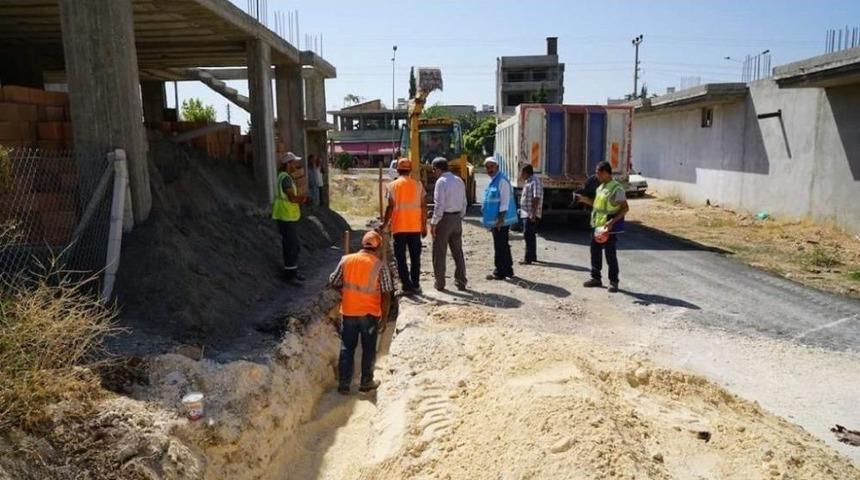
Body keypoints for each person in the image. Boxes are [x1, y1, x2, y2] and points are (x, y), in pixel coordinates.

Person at [329, 231, 395, 395]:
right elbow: (386, 294)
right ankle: (366, 382)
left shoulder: (346, 260)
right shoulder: (379, 265)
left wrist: (345, 292)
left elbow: (333, 281)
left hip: (349, 312)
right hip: (370, 314)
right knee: (368, 348)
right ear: (378, 247)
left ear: (363, 245)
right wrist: (384, 318)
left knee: (347, 348)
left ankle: (344, 384)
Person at [574, 161, 629, 293]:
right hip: (597, 226)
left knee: (610, 254)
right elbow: (596, 204)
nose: (596, 176)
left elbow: (625, 208)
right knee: (595, 252)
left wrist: (612, 223)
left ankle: (613, 281)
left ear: (605, 173)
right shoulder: (600, 187)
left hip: (608, 227)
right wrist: (583, 200)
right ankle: (596, 278)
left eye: (598, 173)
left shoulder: (617, 188)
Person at [382, 158, 427, 295]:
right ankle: (415, 284)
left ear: (397, 170)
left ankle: (407, 286)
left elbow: (390, 207)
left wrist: (384, 224)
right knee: (415, 257)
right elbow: (423, 206)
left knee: (400, 258)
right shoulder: (418, 185)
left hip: (399, 227)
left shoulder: (392, 186)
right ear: (410, 170)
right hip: (414, 227)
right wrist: (424, 226)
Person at [429, 157, 468, 291]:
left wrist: (434, 223)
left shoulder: (441, 182)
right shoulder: (459, 180)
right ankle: (461, 281)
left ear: (438, 169)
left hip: (444, 220)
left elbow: (439, 205)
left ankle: (440, 283)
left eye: (433, 170)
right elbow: (464, 202)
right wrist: (460, 216)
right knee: (458, 252)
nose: (433, 173)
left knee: (439, 252)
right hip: (457, 218)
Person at [272, 152, 306, 285]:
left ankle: (293, 271)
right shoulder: (285, 178)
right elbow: (291, 197)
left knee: (294, 246)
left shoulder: (286, 176)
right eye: (294, 163)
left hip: (288, 216)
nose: (296, 165)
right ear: (288, 164)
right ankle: (289, 275)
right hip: (285, 216)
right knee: (290, 246)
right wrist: (304, 199)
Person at [482, 157, 517, 280]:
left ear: (497, 167)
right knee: (503, 244)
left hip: (501, 220)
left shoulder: (501, 180)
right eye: (487, 167)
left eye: (491, 166)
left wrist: (500, 219)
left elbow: (504, 201)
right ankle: (508, 269)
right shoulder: (494, 180)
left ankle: (500, 271)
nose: (489, 169)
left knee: (500, 245)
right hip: (497, 220)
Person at [518, 164, 543, 265]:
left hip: (531, 214)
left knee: (528, 234)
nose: (521, 175)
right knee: (531, 235)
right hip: (527, 213)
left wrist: (533, 213)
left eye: (522, 173)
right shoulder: (528, 181)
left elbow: (536, 197)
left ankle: (528, 258)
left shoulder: (535, 181)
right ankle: (533, 256)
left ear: (526, 172)